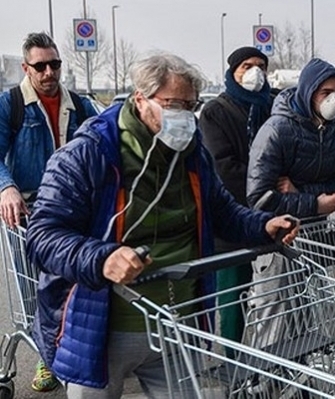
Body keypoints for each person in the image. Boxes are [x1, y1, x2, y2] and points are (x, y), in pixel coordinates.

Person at [26, 53, 299, 398]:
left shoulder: (192, 153)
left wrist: (263, 226)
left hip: (177, 324)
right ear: (141, 99)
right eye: (173, 104)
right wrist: (101, 258)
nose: (184, 116)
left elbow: (223, 212)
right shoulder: (88, 153)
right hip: (101, 330)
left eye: (190, 105)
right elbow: (43, 236)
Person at [0, 32, 98, 393]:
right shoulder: (10, 105)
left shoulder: (82, 106)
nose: (48, 72)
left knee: (76, 284)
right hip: (28, 210)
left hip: (72, 210)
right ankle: (46, 359)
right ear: (26, 68)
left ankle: (76, 351)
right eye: (39, 66)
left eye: (54, 64)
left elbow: (106, 142)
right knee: (34, 290)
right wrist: (6, 187)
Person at [245, 58, 335, 347]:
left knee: (309, 319)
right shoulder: (278, 130)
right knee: (273, 319)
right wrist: (314, 204)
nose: (334, 99)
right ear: (308, 92)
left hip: (316, 237)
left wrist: (300, 193)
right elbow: (260, 198)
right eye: (325, 92)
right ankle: (262, 387)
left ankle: (296, 384)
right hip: (278, 239)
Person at [198, 46, 272, 349]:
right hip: (232, 217)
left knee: (276, 296)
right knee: (233, 294)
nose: (255, 72)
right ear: (232, 71)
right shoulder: (217, 111)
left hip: (270, 214)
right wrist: (268, 186)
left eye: (260, 65)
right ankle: (232, 358)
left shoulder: (271, 106)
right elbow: (223, 165)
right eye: (246, 66)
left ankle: (268, 357)